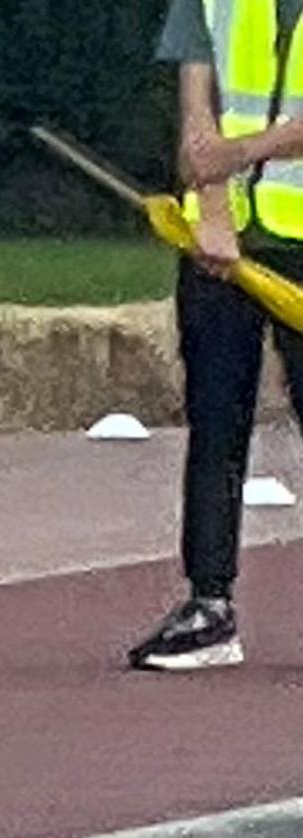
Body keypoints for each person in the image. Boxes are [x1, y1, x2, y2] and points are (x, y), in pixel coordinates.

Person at [133, 0, 303, 669]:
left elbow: (228, 142)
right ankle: (209, 605)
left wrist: (240, 153)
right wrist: (210, 201)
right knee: (215, 420)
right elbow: (196, 84)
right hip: (223, 234)